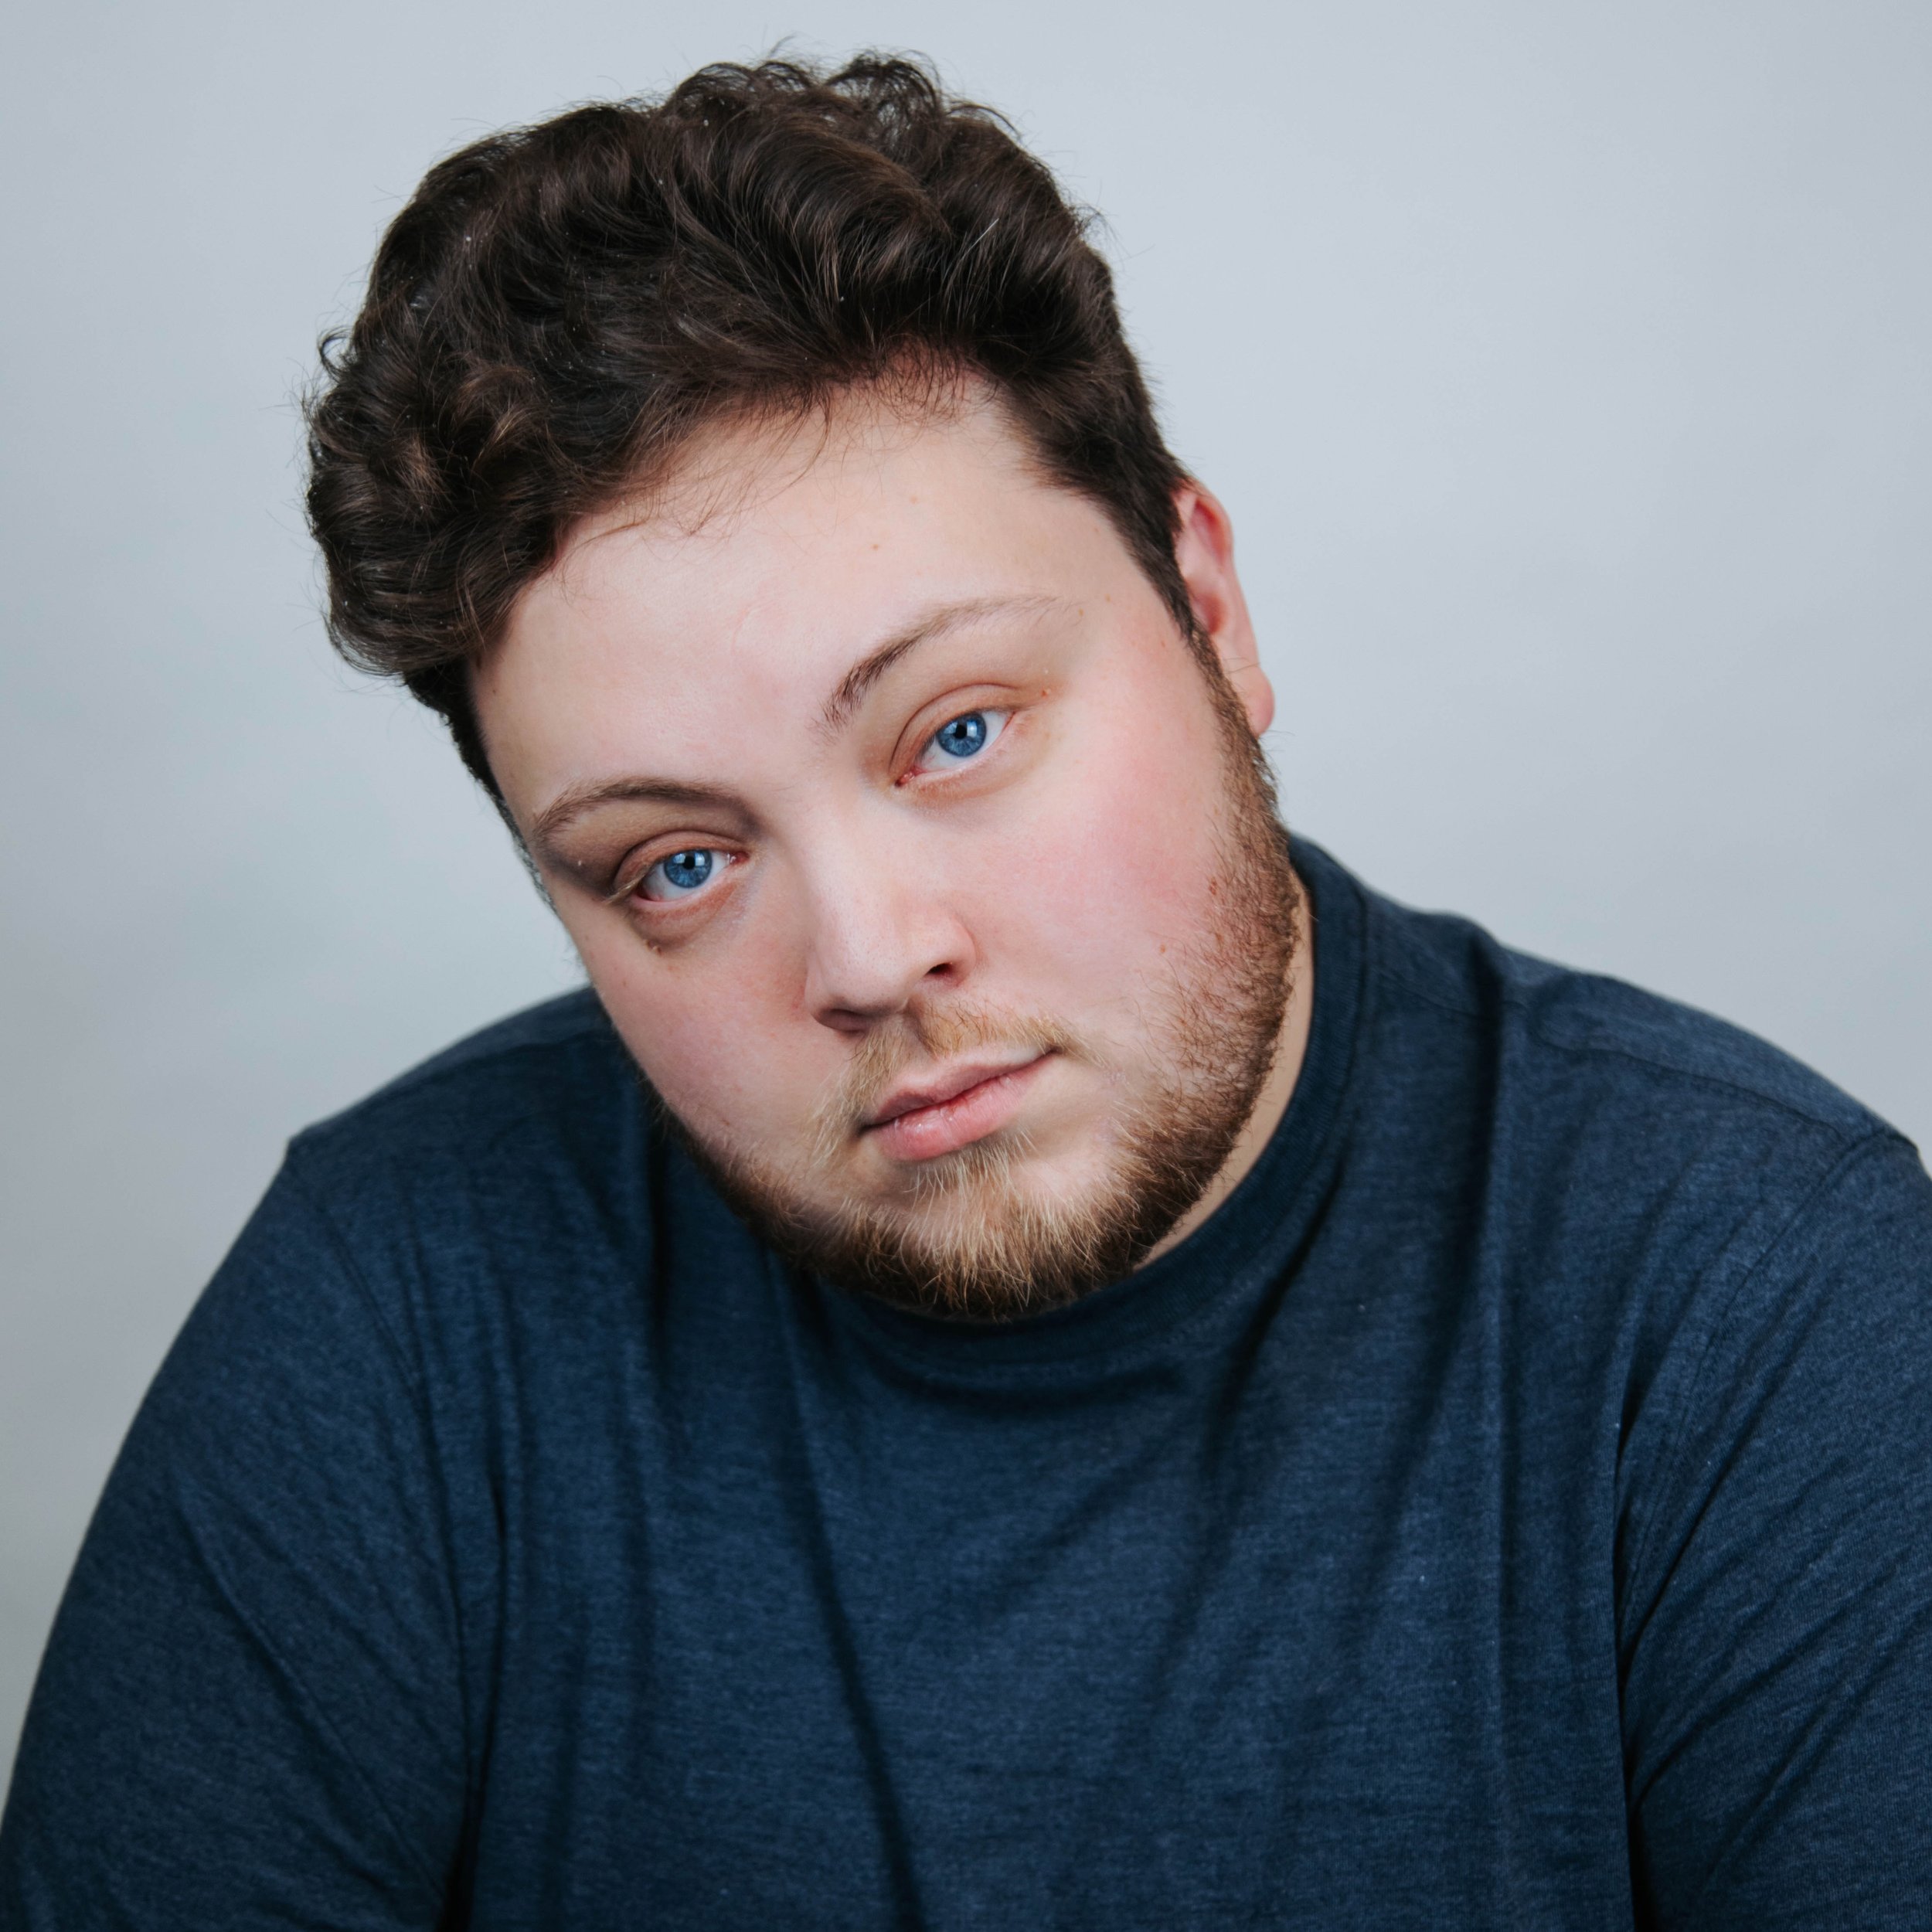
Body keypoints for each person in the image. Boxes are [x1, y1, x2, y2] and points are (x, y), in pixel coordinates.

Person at [2, 53, 1928, 1931]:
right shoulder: (397, 1300)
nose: (862, 960)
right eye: (677, 862)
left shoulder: (1749, 1297)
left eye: (957, 731)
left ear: (1209, 610)